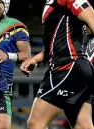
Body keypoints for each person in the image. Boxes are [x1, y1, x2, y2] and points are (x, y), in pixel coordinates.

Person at [20, 0, 94, 128]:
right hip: (73, 68)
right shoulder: (53, 4)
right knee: (82, 125)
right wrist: (34, 59)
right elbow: (56, 46)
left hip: (67, 67)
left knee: (35, 124)